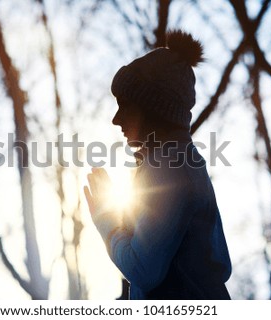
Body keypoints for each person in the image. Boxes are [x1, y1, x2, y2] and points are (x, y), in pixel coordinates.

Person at [84, 30, 231, 300]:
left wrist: (107, 221)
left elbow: (143, 270)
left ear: (153, 109)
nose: (116, 120)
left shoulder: (169, 166)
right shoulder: (179, 160)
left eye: (124, 106)